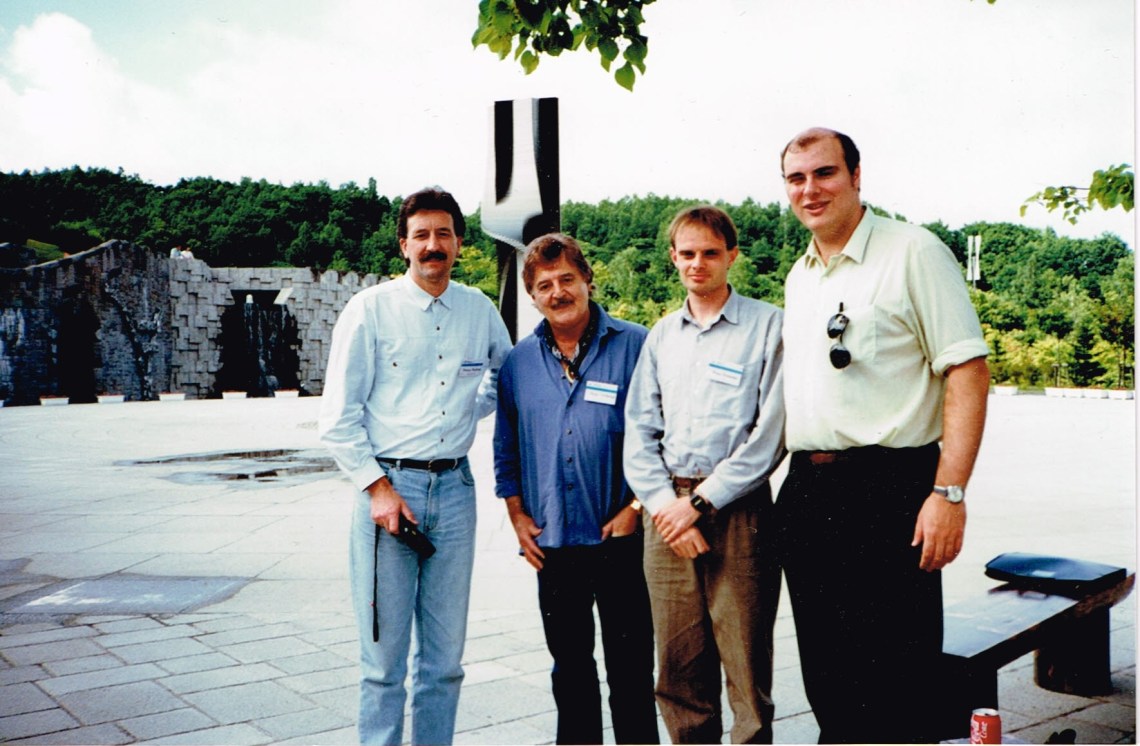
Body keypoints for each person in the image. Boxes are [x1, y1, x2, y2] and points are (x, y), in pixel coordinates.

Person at [776, 127, 991, 744]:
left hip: (890, 492)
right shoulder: (802, 275)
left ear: (856, 176)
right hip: (810, 493)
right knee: (829, 680)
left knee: (900, 681)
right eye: (797, 178)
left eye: (825, 173)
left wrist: (948, 493)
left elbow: (968, 372)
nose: (810, 190)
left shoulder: (913, 252)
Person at [318, 187, 512, 745]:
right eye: (421, 235)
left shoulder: (479, 309)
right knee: (383, 665)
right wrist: (378, 489)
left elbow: (506, 376)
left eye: (444, 234)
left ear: (457, 243)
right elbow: (338, 416)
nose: (433, 245)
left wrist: (466, 416)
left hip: (454, 492)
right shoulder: (370, 310)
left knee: (445, 663)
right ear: (404, 245)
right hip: (388, 495)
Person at [623, 205, 785, 744]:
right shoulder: (662, 336)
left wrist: (701, 503)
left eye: (710, 253)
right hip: (667, 513)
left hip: (738, 511)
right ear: (673, 258)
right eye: (687, 253)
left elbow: (770, 435)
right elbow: (640, 429)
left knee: (744, 663)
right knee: (677, 665)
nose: (698, 263)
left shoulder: (767, 326)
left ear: (731, 257)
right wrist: (668, 505)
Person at [493, 233, 659, 745]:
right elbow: (507, 450)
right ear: (532, 295)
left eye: (567, 279)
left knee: (631, 672)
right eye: (545, 285)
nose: (558, 292)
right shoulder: (518, 363)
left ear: (588, 279)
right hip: (554, 542)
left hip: (622, 538)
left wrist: (635, 506)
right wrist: (517, 516)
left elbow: (665, 435)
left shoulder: (639, 345)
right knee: (570, 672)